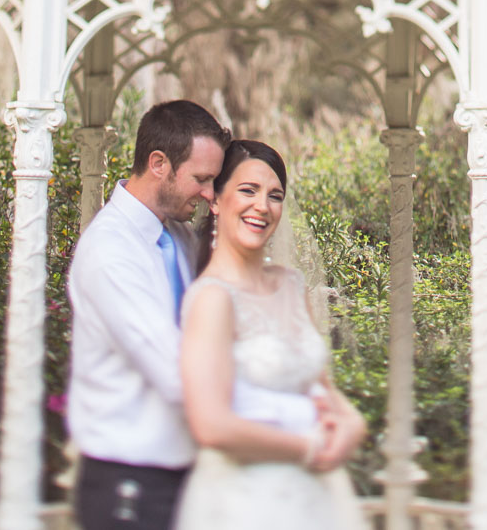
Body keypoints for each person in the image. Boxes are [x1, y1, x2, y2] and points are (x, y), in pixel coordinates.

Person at [65, 100, 360, 529]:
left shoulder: (180, 238)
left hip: (196, 475)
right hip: (131, 480)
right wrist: (305, 419)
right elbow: (179, 378)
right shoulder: (111, 252)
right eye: (203, 179)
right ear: (159, 164)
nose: (208, 194)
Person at [174, 139, 368, 529]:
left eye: (275, 195)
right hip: (244, 503)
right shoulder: (212, 299)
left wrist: (351, 425)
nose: (262, 206)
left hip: (318, 500)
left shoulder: (293, 286)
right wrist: (308, 447)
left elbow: (323, 391)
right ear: (216, 199)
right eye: (248, 190)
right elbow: (211, 424)